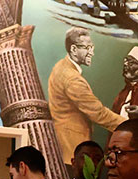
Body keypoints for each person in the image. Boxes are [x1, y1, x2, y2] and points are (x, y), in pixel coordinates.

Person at [47, 27, 125, 163]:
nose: (92, 53)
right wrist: (129, 125)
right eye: (87, 48)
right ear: (73, 50)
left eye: (92, 47)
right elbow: (98, 113)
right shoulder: (72, 79)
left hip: (64, 143)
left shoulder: (60, 66)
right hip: (73, 146)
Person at [52, 139, 121, 179]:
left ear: (102, 164)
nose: (91, 163)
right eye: (85, 158)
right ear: (73, 162)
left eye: (97, 159)